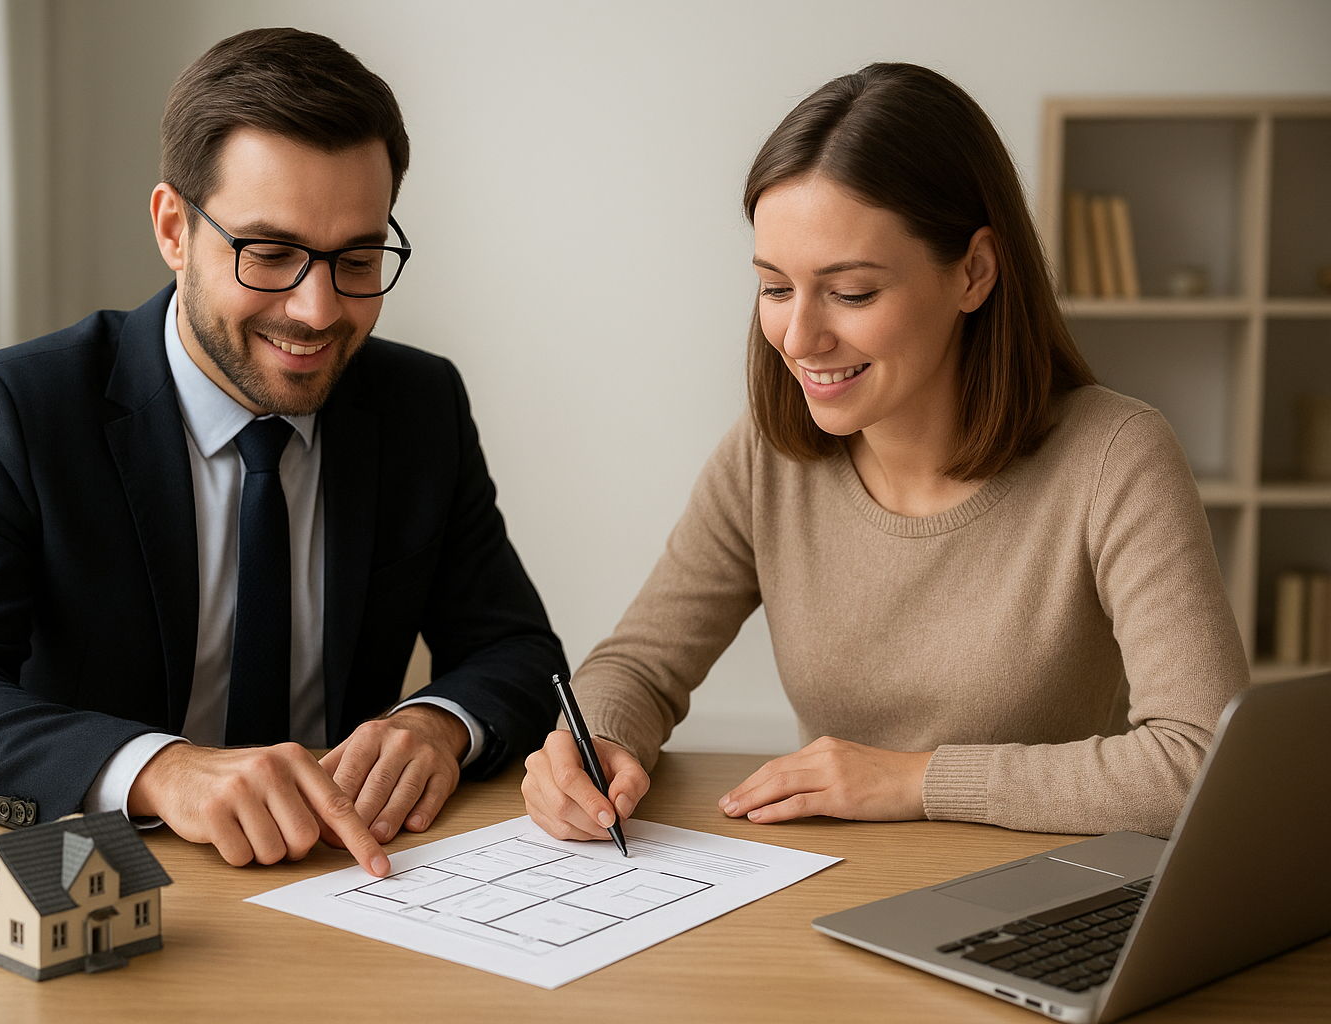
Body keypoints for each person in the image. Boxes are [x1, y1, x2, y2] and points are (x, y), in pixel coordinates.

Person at [0, 28, 567, 874]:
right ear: (173, 229)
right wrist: (162, 770)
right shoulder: (17, 408)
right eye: (269, 253)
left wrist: (436, 723)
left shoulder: (419, 404)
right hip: (117, 878)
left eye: (358, 257)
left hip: (351, 880)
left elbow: (521, 655)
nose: (317, 310)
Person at [522, 63, 1248, 845]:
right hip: (835, 890)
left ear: (974, 271)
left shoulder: (1116, 458)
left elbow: (1203, 762)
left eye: (852, 292)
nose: (799, 340)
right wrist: (592, 741)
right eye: (774, 287)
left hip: (1039, 907)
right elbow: (640, 664)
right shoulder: (767, 457)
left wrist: (915, 779)